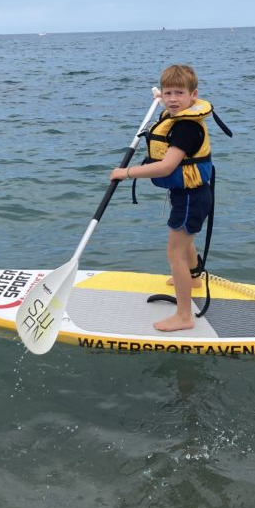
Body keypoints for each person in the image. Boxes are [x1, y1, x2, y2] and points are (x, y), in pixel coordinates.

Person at [109, 64, 219, 332]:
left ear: (194, 95)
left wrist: (127, 173)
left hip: (192, 198)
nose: (172, 99)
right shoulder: (175, 116)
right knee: (185, 242)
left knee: (175, 253)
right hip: (189, 195)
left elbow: (167, 167)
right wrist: (160, 97)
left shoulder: (186, 129)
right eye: (167, 93)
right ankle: (194, 279)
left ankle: (184, 317)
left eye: (179, 93)